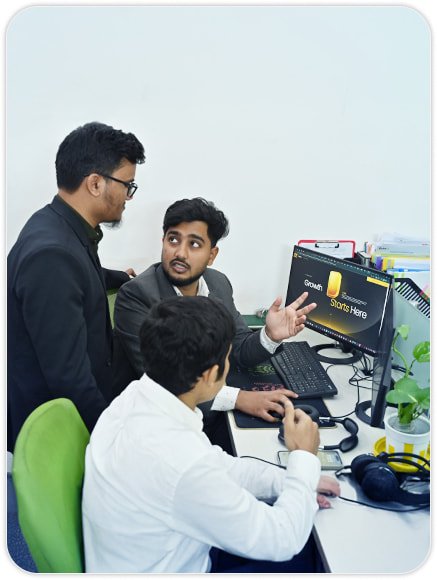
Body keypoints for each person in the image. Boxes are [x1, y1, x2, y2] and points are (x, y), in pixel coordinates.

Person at [82, 296, 339, 573]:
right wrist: (303, 456)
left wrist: (290, 481)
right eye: (228, 358)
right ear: (210, 374)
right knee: (316, 558)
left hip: (156, 551)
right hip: (176, 566)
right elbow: (283, 539)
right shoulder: (181, 463)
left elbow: (218, 465)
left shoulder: (137, 396)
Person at [113, 197, 317, 439]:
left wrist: (270, 336)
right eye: (173, 239)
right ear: (163, 241)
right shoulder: (137, 296)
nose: (180, 253)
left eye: (194, 244)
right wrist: (239, 398)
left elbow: (238, 349)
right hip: (164, 426)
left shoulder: (218, 283)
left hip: (212, 410)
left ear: (212, 255)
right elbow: (162, 381)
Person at [7, 121, 145, 451]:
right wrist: (115, 443)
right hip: (56, 440)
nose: (128, 197)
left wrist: (120, 278)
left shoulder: (58, 226)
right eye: (127, 185)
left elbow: (78, 274)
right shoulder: (52, 256)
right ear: (95, 183)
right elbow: (69, 378)